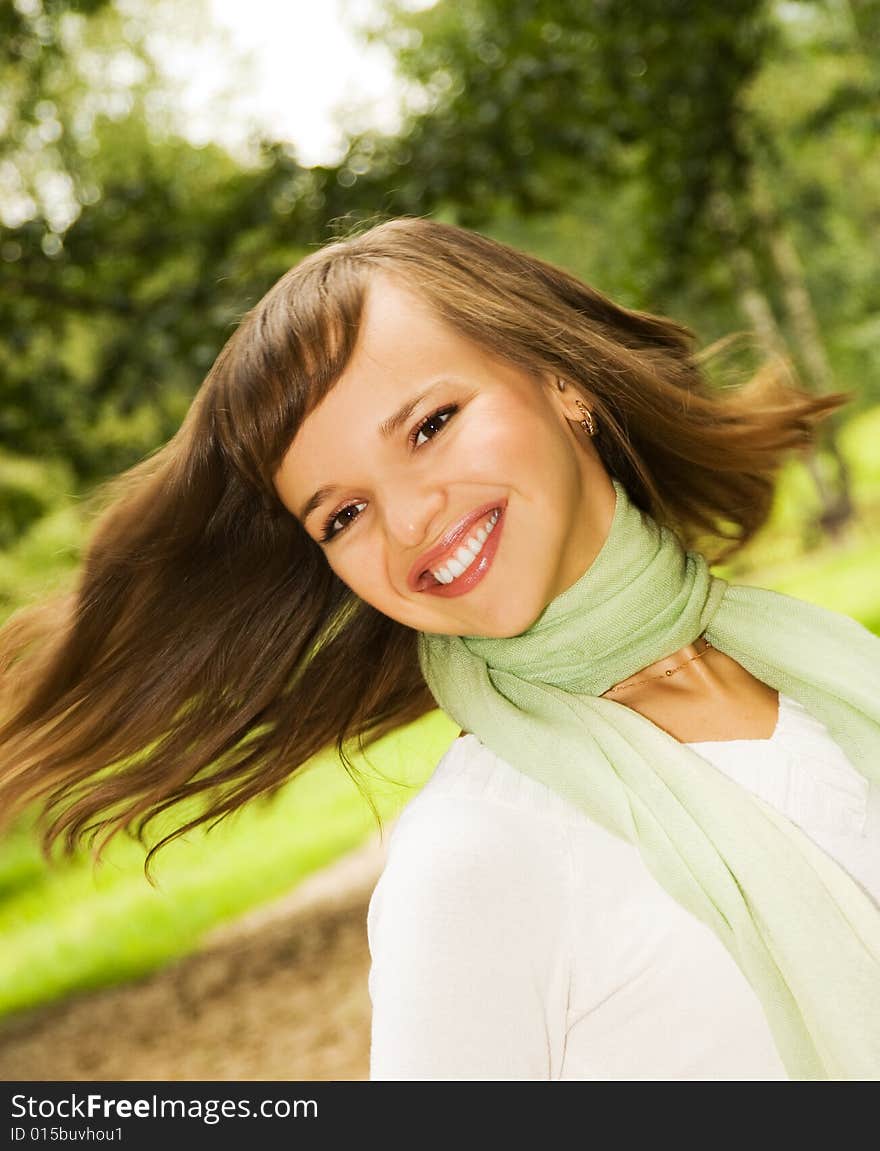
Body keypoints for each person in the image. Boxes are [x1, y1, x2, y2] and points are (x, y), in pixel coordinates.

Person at [0, 216, 878, 1081]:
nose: (412, 520)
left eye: (429, 425)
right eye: (342, 514)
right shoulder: (475, 856)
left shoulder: (826, 669)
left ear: (561, 380)